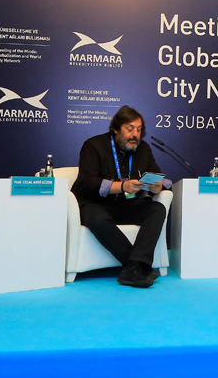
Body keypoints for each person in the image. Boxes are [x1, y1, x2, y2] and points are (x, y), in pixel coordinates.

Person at [72, 106, 171, 288]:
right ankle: (136, 267)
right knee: (97, 217)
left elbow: (160, 177)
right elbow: (88, 181)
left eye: (139, 129)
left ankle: (135, 266)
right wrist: (122, 186)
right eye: (130, 128)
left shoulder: (143, 149)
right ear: (116, 129)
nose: (135, 135)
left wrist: (158, 185)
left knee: (157, 209)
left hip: (126, 204)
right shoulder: (94, 145)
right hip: (94, 203)